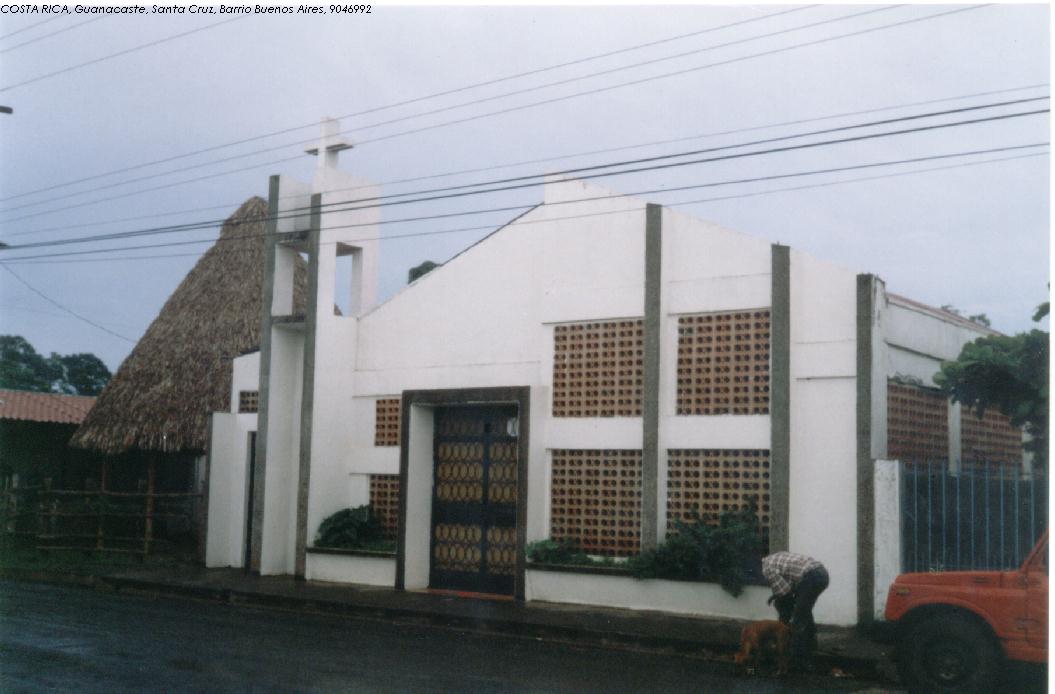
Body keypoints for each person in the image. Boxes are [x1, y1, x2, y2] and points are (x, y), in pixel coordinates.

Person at [761, 551, 829, 671]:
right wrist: (777, 597)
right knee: (804, 612)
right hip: (822, 574)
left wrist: (782, 623)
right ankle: (811, 649)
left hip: (811, 576)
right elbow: (789, 588)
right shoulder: (774, 558)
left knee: (799, 619)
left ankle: (798, 660)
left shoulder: (767, 569)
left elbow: (784, 595)